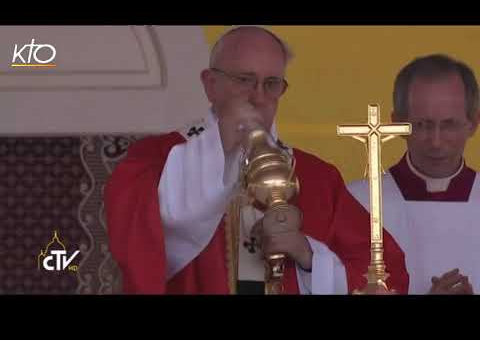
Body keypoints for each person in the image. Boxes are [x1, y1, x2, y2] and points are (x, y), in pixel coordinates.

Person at [105, 26, 408, 294]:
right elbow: (138, 248)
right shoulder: (155, 160)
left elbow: (384, 274)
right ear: (211, 84)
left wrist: (309, 257)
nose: (258, 96)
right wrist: (221, 144)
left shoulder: (316, 177)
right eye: (244, 80)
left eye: (272, 83)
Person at [348, 54, 480, 294]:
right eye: (422, 125)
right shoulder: (357, 204)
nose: (436, 142)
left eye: (449, 124)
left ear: (473, 123)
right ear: (396, 123)